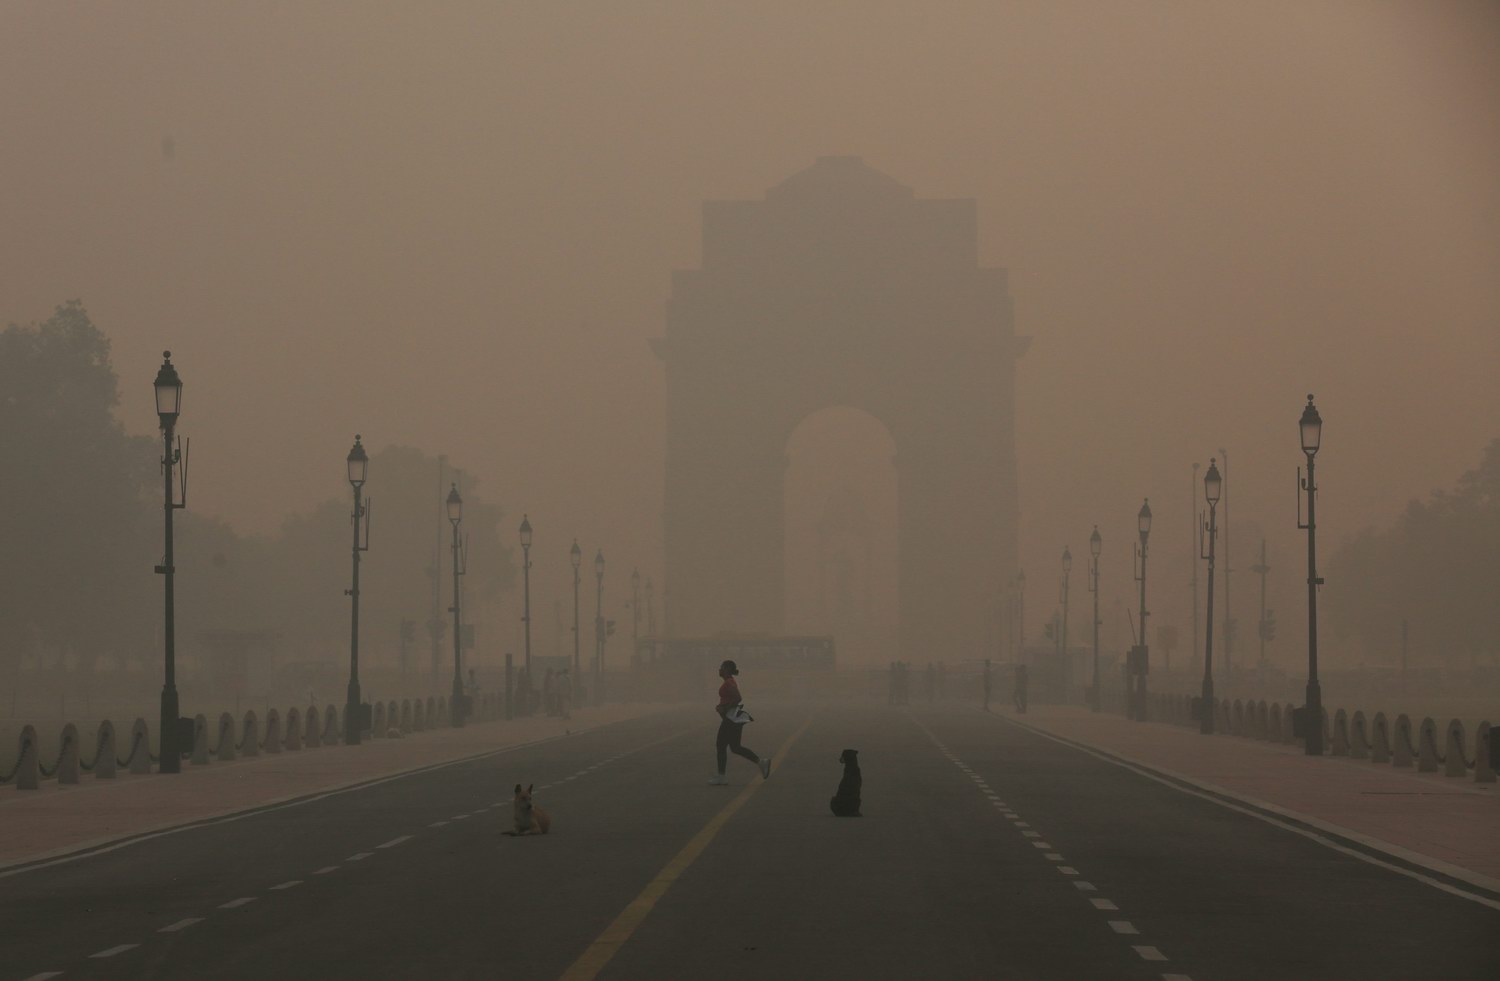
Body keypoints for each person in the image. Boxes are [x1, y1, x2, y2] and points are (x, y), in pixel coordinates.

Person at [709, 659, 769, 785]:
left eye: (721, 667)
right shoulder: (729, 681)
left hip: (731, 718)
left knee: (721, 745)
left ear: (726, 669)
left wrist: (724, 708)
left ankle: (721, 776)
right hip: (733, 718)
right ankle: (761, 762)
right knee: (735, 747)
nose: (719, 669)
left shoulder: (729, 682)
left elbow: (737, 697)